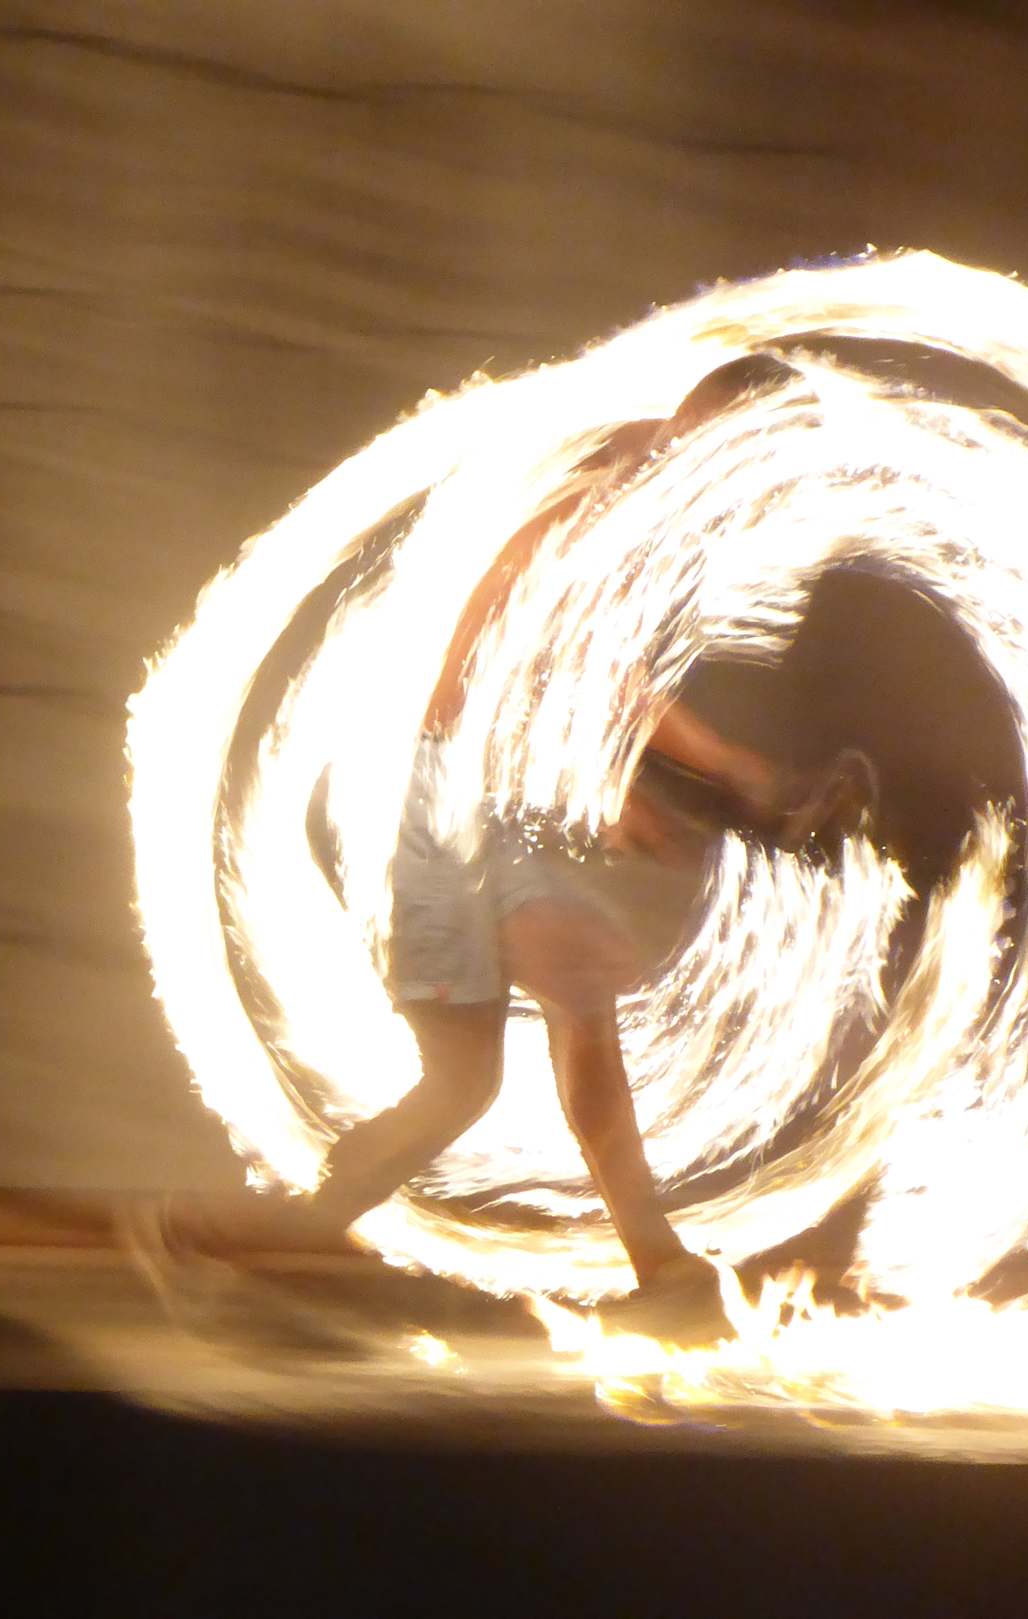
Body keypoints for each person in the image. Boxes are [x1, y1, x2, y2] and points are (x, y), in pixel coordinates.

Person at [129, 355, 875, 1344]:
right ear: (724, 431)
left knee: (479, 1071)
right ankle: (658, 1271)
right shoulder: (632, 502)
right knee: (544, 1017)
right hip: (441, 790)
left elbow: (572, 668)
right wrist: (733, 772)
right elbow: (580, 665)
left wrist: (625, 788)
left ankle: (220, 1238)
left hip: (459, 788)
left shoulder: (639, 496)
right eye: (768, 460)